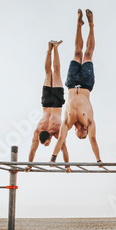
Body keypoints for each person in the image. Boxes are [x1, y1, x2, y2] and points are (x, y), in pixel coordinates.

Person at [51, 9, 102, 165]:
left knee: (77, 53)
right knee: (88, 54)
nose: (85, 135)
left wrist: (53, 158)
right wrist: (99, 160)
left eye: (82, 136)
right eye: (85, 135)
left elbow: (61, 138)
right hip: (86, 84)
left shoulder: (68, 121)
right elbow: (93, 139)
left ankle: (79, 24)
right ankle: (91, 25)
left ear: (77, 133)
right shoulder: (90, 122)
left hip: (72, 83)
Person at [27, 40, 70, 172]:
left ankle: (54, 49)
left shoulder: (55, 131)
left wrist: (29, 165)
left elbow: (63, 148)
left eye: (47, 144)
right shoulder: (39, 130)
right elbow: (33, 149)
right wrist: (29, 164)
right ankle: (51, 49)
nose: (48, 145)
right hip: (46, 103)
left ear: (49, 137)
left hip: (56, 103)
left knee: (54, 72)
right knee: (49, 73)